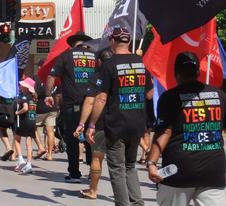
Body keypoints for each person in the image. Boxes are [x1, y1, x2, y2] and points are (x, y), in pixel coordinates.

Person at [146, 52, 226, 206]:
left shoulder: (170, 97)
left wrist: (152, 163)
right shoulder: (220, 95)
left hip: (179, 171)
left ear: (176, 73)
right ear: (198, 72)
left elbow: (165, 132)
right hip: (213, 171)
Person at [86, 27, 153, 206]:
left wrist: (92, 125)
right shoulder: (140, 63)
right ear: (129, 42)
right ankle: (138, 203)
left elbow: (101, 98)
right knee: (130, 166)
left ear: (112, 41)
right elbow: (150, 94)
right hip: (137, 124)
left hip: (116, 124)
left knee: (117, 169)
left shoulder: (109, 65)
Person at [45, 31, 96, 183]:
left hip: (72, 105)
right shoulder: (96, 56)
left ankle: (74, 173)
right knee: (91, 137)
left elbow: (51, 76)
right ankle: (94, 171)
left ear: (73, 43)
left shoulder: (66, 56)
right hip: (93, 104)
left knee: (72, 139)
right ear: (86, 43)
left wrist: (48, 94)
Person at [74, 47, 114, 200]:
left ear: (99, 62)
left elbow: (90, 101)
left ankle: (93, 190)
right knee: (122, 163)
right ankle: (126, 194)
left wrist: (82, 124)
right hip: (121, 122)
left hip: (101, 123)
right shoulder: (120, 75)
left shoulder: (97, 77)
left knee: (97, 157)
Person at [34, 59, 57, 161]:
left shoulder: (37, 78)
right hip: (53, 107)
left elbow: (35, 93)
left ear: (41, 67)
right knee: (50, 131)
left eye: (39, 66)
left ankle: (40, 147)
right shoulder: (55, 78)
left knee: (32, 127)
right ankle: (50, 154)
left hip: (41, 107)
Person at [14, 78, 37, 174]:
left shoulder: (24, 96)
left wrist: (17, 112)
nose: (20, 87)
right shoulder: (34, 98)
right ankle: (29, 164)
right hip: (32, 121)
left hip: (25, 121)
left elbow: (25, 108)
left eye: (22, 85)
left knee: (16, 139)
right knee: (29, 143)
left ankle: (20, 158)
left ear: (26, 88)